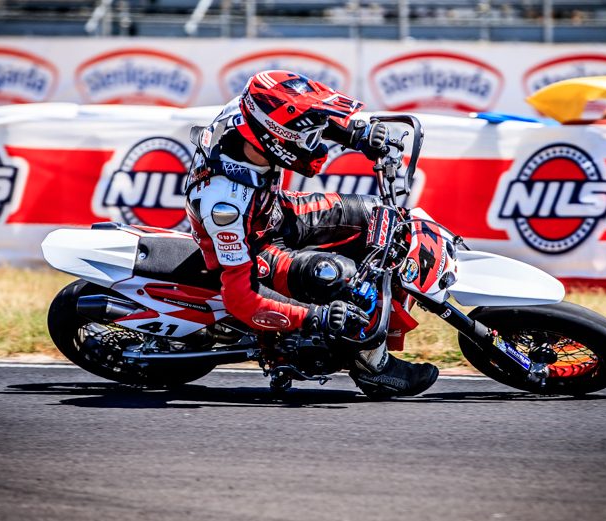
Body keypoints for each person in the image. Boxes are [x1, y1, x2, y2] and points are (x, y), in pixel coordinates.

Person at [185, 70, 438, 397]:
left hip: (274, 211)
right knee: (342, 277)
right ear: (275, 140)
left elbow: (306, 117)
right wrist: (316, 316)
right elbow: (240, 298)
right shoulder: (226, 204)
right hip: (256, 249)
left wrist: (358, 134)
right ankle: (371, 366)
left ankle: (385, 323)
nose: (316, 145)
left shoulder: (250, 112)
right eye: (306, 139)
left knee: (380, 214)